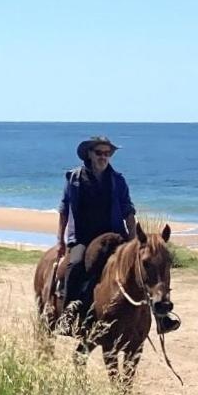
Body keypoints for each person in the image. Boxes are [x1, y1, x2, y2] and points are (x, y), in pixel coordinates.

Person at [54, 135, 137, 335]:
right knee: (75, 266)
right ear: (89, 154)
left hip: (114, 237)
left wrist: (134, 240)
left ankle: (160, 316)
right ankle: (68, 316)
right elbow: (64, 211)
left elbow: (128, 211)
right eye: (99, 152)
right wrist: (61, 241)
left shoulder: (118, 180)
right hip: (83, 237)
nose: (103, 157)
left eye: (107, 153)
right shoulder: (73, 178)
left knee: (143, 269)